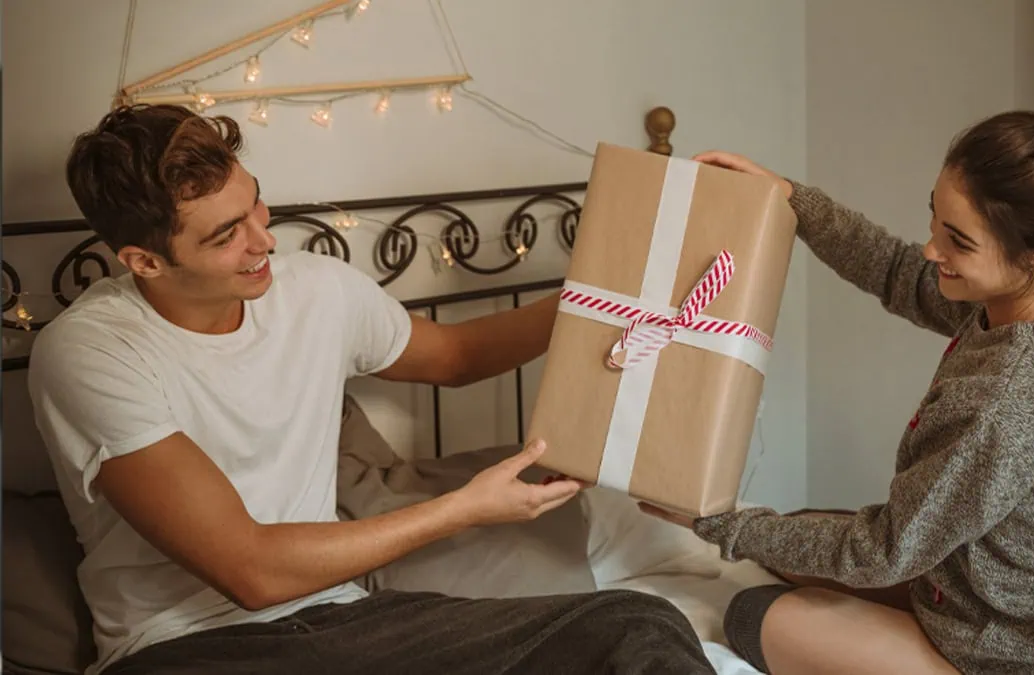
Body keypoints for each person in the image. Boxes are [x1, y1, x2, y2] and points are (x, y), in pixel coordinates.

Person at [28, 103, 716, 675]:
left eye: (256, 204)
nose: (264, 240)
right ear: (145, 260)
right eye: (227, 235)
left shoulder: (316, 291)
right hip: (190, 650)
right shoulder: (90, 352)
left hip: (350, 624)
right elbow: (252, 570)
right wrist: (464, 507)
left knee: (636, 624)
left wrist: (600, 302)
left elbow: (457, 354)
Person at [640, 80, 1034, 674]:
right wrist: (791, 200)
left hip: (1027, 645)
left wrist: (713, 523)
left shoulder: (1006, 402)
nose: (932, 248)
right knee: (788, 539)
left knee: (751, 615)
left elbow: (881, 550)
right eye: (935, 218)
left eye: (958, 241)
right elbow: (897, 271)